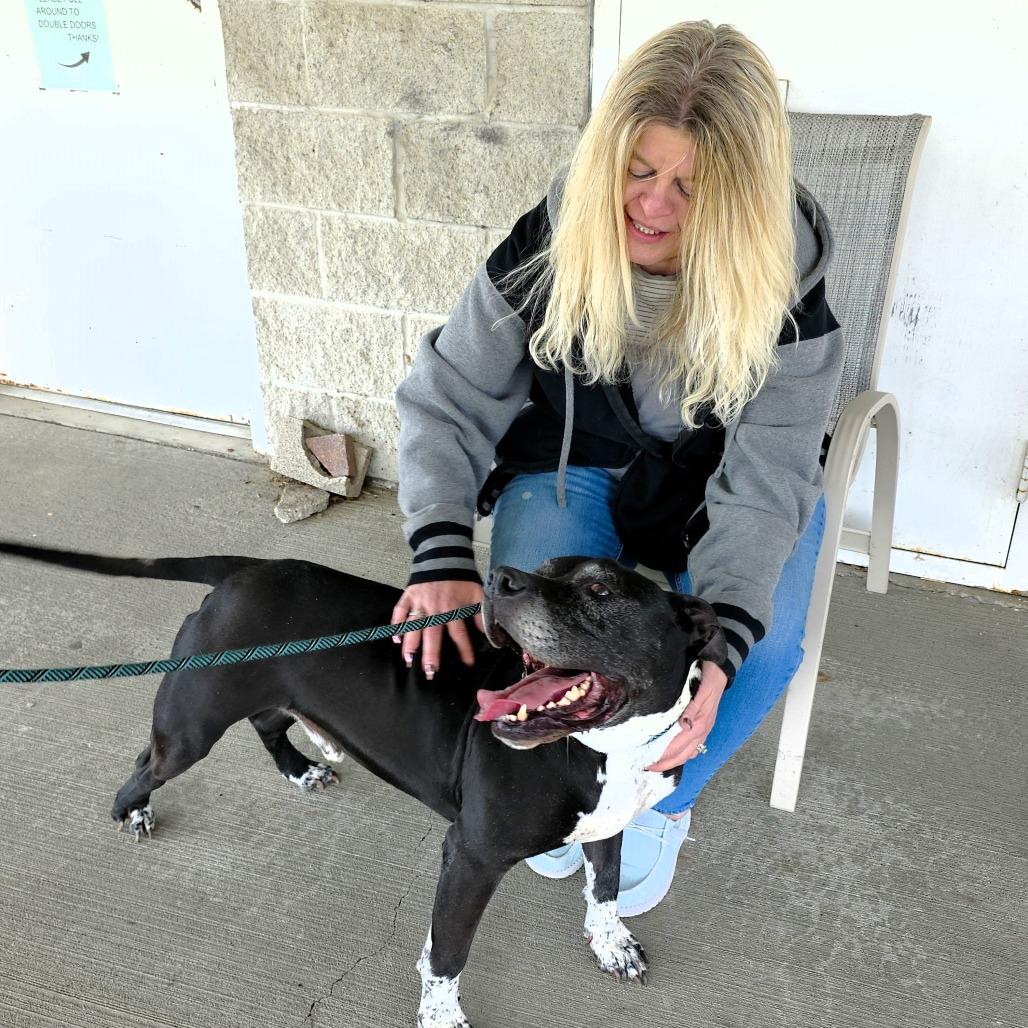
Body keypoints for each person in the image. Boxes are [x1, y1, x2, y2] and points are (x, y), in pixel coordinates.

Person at [390, 19, 843, 916]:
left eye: (693, 187)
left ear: (743, 201)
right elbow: (446, 393)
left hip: (730, 487)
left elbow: (768, 476)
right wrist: (439, 552)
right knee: (526, 618)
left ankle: (656, 800)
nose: (654, 207)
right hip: (581, 458)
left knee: (761, 646)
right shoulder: (551, 241)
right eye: (639, 171)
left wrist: (720, 643)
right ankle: (563, 782)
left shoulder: (789, 291)